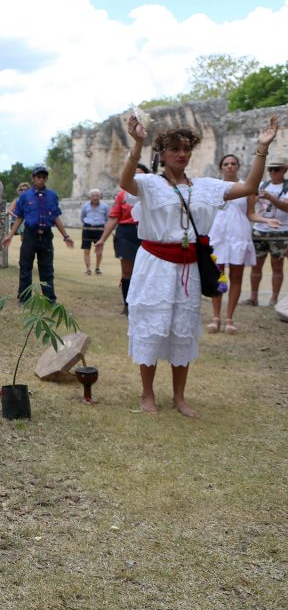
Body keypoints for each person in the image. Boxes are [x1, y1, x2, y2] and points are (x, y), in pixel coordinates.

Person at [119, 114, 278, 417]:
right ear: (162, 154)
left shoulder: (206, 186)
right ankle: (148, 394)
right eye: (175, 149)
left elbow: (250, 187)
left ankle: (180, 397)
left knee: (183, 330)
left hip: (189, 266)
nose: (182, 154)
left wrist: (261, 148)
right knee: (152, 328)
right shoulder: (150, 184)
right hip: (154, 266)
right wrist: (137, 144)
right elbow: (125, 181)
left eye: (187, 149)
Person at [207, 154, 281, 334]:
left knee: (236, 277)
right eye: (226, 164)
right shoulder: (214, 187)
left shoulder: (247, 188)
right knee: (218, 276)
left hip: (238, 236)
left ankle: (230, 319)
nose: (230, 166)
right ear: (221, 168)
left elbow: (250, 214)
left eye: (233, 164)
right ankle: (216, 317)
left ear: (238, 167)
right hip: (217, 236)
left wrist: (265, 220)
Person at [1, 164, 75, 303]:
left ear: (46, 179)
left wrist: (66, 236)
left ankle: (49, 299)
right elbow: (20, 216)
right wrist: (10, 235)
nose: (41, 180)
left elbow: (55, 217)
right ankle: (24, 298)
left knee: (47, 268)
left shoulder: (52, 196)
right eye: (38, 177)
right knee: (25, 266)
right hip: (30, 234)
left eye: (44, 177)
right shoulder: (25, 196)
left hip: (46, 235)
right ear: (33, 178)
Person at [96, 164, 147, 315]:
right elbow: (113, 219)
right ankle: (127, 305)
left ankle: (143, 303)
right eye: (134, 175)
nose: (137, 178)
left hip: (145, 234)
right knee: (127, 271)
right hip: (126, 234)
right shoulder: (122, 195)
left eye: (141, 175)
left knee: (145, 270)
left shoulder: (151, 195)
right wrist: (102, 240)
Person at [244, 157, 288, 306]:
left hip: (280, 231)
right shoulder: (263, 185)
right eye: (270, 169)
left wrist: (271, 198)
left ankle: (274, 299)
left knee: (277, 265)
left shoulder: (287, 187)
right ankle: (253, 297)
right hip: (259, 229)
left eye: (276, 169)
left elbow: (286, 207)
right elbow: (250, 204)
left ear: (284, 170)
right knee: (256, 265)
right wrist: (254, 198)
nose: (272, 172)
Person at [80, 188, 107, 275]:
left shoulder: (105, 206)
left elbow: (107, 218)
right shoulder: (85, 206)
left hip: (99, 230)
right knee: (86, 250)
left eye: (97, 196)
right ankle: (88, 269)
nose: (95, 197)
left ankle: (97, 268)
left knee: (99, 250)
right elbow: (82, 217)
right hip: (87, 229)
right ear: (90, 197)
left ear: (100, 196)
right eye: (93, 196)